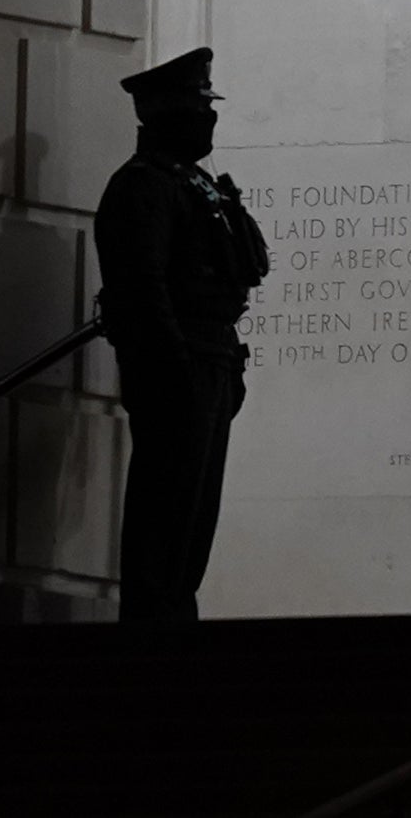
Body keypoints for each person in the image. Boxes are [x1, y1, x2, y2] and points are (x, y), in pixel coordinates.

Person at [92, 45, 267, 623]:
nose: (208, 117)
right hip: (178, 361)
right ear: (163, 113)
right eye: (197, 106)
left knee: (195, 510)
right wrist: (174, 370)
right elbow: (142, 289)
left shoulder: (196, 185)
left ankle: (174, 612)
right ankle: (154, 623)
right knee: (166, 508)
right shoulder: (143, 186)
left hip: (211, 357)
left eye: (207, 105)